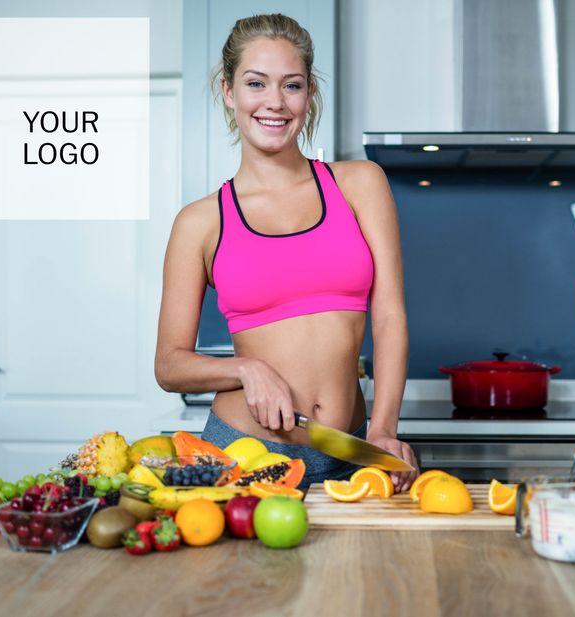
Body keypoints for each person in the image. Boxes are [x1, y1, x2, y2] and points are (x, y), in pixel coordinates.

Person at [154, 13, 417, 492]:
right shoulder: (200, 222)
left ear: (309, 94)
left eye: (291, 85)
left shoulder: (360, 184)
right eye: (256, 83)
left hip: (353, 449)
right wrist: (245, 368)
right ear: (229, 92)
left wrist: (383, 428)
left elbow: (390, 317)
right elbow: (169, 366)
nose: (274, 102)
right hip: (245, 455)